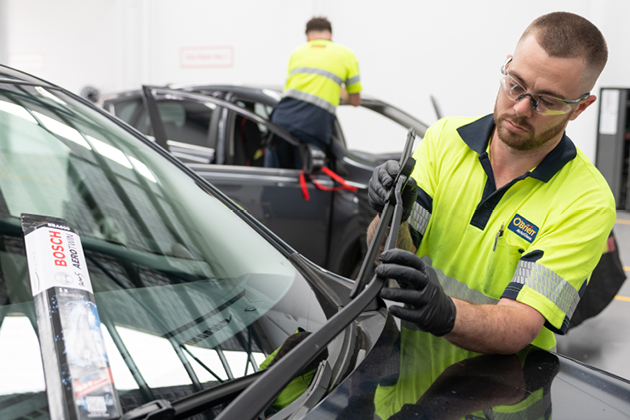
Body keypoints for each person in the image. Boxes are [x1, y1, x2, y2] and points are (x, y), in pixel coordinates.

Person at [367, 11, 616, 354]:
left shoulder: (586, 201)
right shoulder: (445, 139)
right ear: (507, 64)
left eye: (546, 101)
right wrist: (390, 215)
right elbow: (393, 256)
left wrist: (446, 313)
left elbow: (519, 324)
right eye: (515, 85)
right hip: (400, 372)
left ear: (580, 108)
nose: (520, 108)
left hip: (495, 394)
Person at [265, 17, 363, 169]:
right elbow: (355, 100)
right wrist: (337, 90)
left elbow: (291, 89)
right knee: (309, 179)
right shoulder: (346, 55)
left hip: (281, 120)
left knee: (279, 177)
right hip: (313, 124)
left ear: (308, 37)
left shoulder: (297, 52)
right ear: (330, 35)